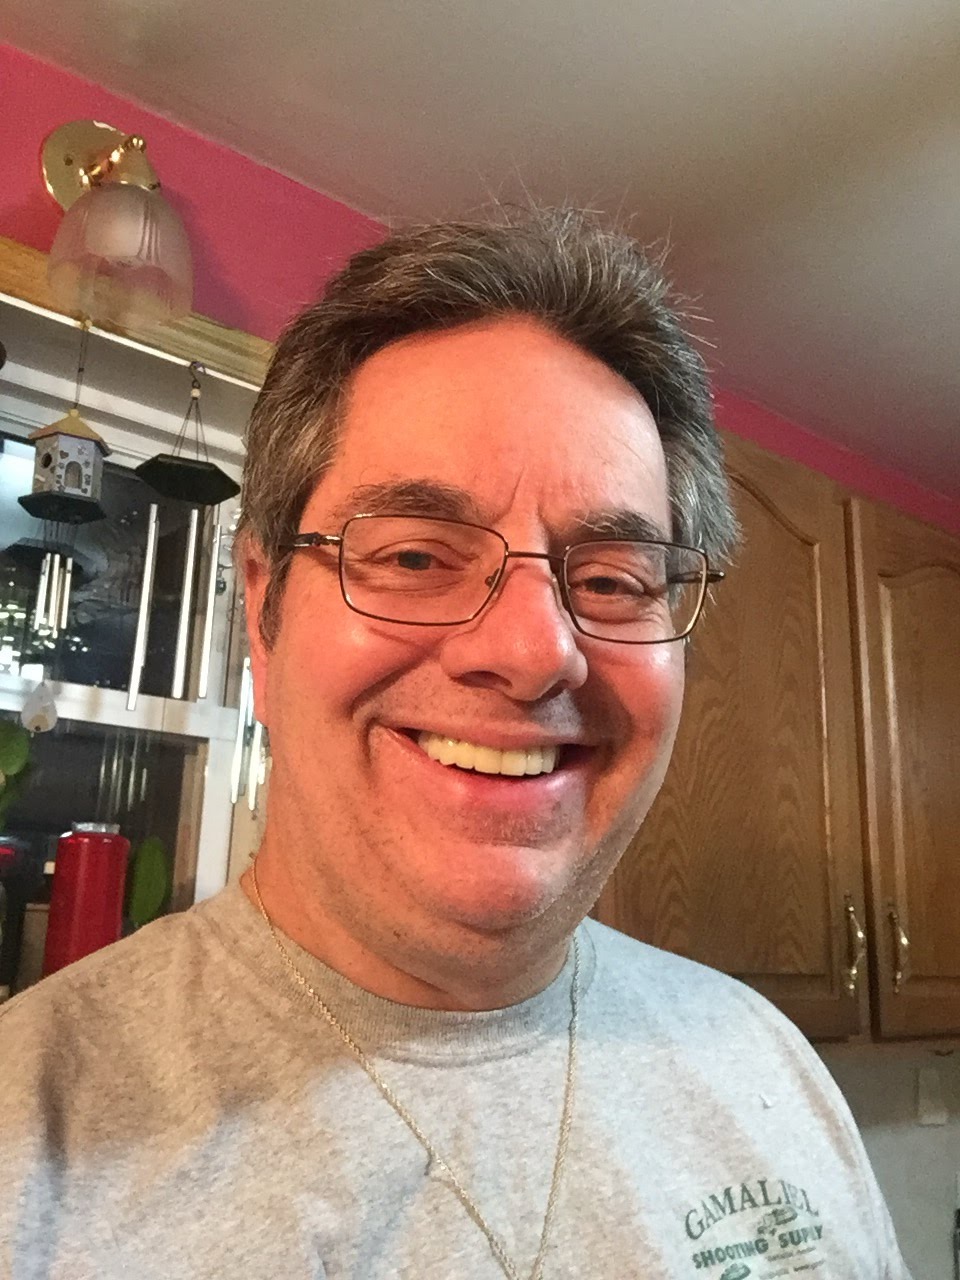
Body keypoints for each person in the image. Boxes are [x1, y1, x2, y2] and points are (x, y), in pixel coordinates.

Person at [0, 208, 909, 1279]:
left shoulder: (773, 1073)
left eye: (611, 578)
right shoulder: (31, 1136)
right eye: (416, 557)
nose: (534, 652)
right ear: (263, 612)